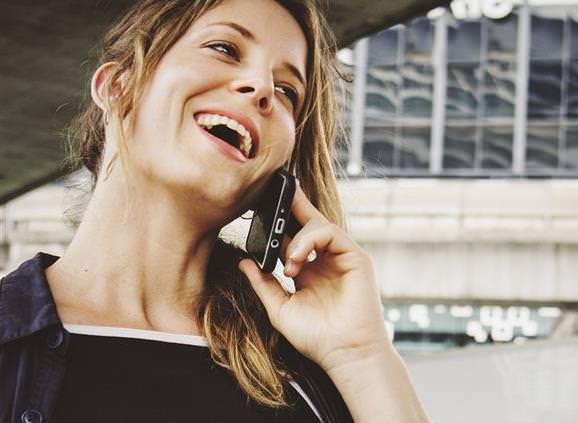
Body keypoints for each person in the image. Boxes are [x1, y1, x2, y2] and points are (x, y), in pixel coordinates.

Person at [0, 0, 430, 422]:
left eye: (286, 91)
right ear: (117, 87)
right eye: (225, 49)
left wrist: (362, 356)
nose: (261, 88)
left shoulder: (307, 372)